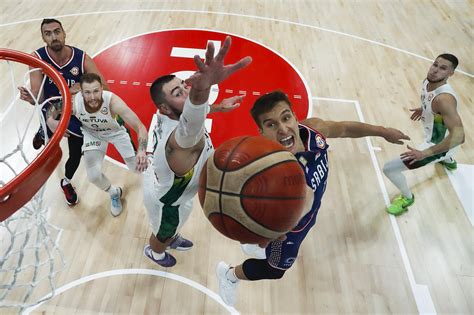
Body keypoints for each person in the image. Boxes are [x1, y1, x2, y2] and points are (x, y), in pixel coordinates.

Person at [215, 90, 411, 307]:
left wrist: (383, 132)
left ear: (295, 117)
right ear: (261, 132)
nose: (282, 129)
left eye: (286, 117)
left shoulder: (313, 131)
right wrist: (263, 231)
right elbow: (300, 200)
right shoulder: (268, 169)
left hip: (306, 216)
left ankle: (259, 248)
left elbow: (345, 128)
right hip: (287, 232)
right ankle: (229, 275)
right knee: (274, 270)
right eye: (271, 125)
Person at [143, 36, 252, 267]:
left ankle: (172, 237)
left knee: (184, 215)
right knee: (163, 232)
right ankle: (156, 252)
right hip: (166, 201)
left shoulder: (168, 113)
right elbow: (191, 120)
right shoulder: (180, 139)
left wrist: (217, 107)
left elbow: (191, 113)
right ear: (163, 107)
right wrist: (202, 88)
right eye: (177, 93)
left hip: (178, 188)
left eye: (184, 86)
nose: (185, 92)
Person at [18, 18, 109, 206]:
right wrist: (32, 98)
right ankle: (44, 131)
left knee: (76, 152)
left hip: (74, 108)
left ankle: (66, 182)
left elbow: (104, 87)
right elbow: (40, 98)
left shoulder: (81, 58)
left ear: (64, 33)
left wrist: (84, 88)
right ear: (43, 38)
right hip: (51, 108)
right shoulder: (37, 58)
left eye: (57, 31)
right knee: (50, 145)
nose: (54, 37)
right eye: (48, 33)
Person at [54, 72, 148, 216]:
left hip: (116, 133)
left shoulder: (112, 102)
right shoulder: (73, 103)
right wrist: (50, 121)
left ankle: (157, 165)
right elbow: (51, 110)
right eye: (87, 92)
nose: (92, 97)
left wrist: (142, 150)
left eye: (96, 91)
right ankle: (114, 193)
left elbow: (140, 126)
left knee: (136, 168)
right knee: (93, 175)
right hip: (93, 134)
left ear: (102, 89)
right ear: (81, 92)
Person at [383, 53, 465, 215]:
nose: (435, 70)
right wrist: (424, 109)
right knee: (444, 147)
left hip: (438, 146)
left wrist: (424, 153)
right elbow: (433, 104)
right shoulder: (428, 82)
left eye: (443, 68)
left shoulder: (444, 99)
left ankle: (407, 197)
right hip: (438, 138)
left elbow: (459, 137)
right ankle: (448, 161)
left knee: (389, 169)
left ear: (451, 74)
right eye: (435, 64)